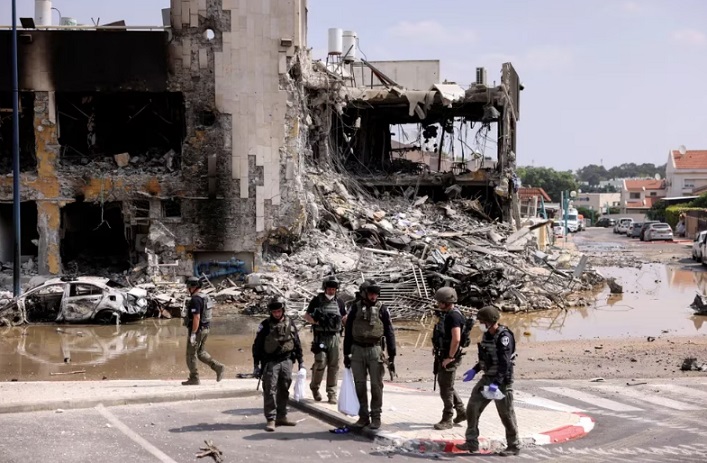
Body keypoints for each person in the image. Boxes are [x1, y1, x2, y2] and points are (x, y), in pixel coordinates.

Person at [457, 306, 519, 456]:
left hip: (502, 382)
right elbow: (486, 358)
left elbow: (505, 364)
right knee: (472, 407)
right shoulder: (487, 336)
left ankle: (514, 445)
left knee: (506, 414)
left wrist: (496, 383)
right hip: (487, 378)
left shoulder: (504, 337)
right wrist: (475, 369)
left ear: (490, 322)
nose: (480, 324)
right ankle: (471, 442)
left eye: (482, 321)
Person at [343, 279, 396, 430]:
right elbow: (348, 332)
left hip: (375, 350)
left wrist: (392, 355)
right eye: (371, 294)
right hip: (357, 350)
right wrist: (346, 353)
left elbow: (389, 332)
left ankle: (376, 417)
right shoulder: (355, 308)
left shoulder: (382, 309)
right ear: (365, 294)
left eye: (375, 294)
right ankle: (363, 416)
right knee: (359, 385)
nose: (373, 297)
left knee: (376, 385)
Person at [252, 296, 304, 432]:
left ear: (283, 310)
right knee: (270, 390)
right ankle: (271, 419)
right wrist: (256, 365)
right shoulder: (265, 325)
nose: (277, 314)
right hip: (271, 362)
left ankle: (282, 416)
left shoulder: (290, 323)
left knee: (284, 388)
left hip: (287, 360)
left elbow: (297, 342)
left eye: (279, 311)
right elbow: (257, 346)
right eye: (274, 312)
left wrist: (301, 362)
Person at [304, 276, 347, 404]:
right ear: (325, 288)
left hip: (335, 337)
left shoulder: (339, 302)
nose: (331, 291)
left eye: (333, 289)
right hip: (321, 337)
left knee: (334, 365)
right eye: (329, 288)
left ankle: (331, 393)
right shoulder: (317, 301)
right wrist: (316, 322)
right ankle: (314, 387)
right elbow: (306, 315)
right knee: (320, 362)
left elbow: (344, 317)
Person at [431, 287, 467, 430]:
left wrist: (450, 357)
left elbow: (456, 339)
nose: (438, 304)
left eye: (440, 302)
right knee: (446, 385)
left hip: (450, 356)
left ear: (446, 302)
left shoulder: (454, 316)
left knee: (445, 389)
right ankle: (461, 411)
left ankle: (447, 418)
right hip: (444, 354)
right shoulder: (447, 314)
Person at [182, 276, 225, 386]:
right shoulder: (205, 297)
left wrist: (193, 333)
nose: (187, 289)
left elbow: (196, 317)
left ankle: (194, 378)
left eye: (188, 287)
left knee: (190, 354)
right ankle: (218, 367)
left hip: (197, 330)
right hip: (205, 329)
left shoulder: (195, 299)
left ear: (193, 287)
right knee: (200, 352)